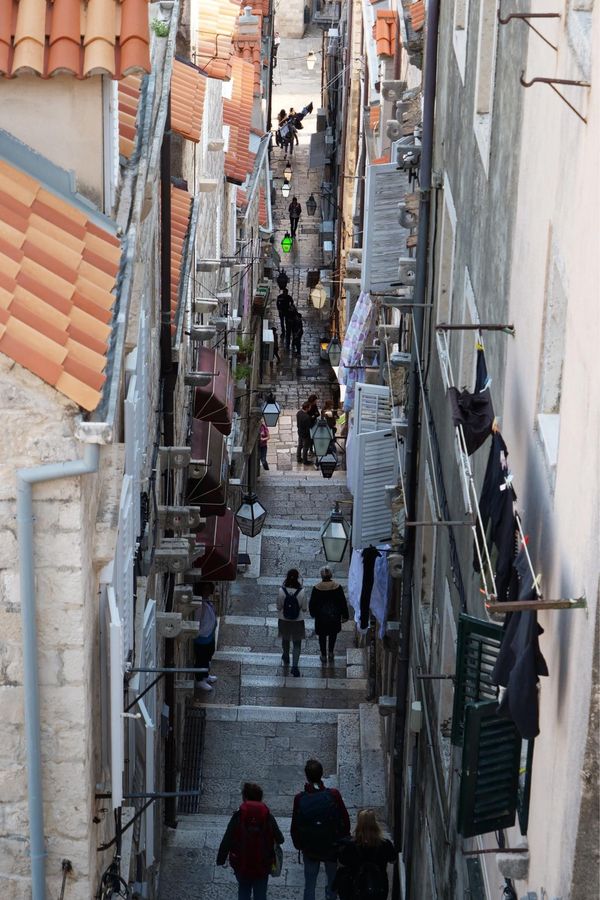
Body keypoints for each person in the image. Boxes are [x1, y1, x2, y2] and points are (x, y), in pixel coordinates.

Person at [291, 758, 350, 900]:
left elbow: (295, 826)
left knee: (310, 885)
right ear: (321, 774)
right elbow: (345, 820)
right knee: (332, 883)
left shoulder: (299, 798)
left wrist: (299, 845)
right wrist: (342, 840)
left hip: (310, 849)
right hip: (331, 847)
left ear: (307, 776)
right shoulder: (333, 795)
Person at [217, 782, 284, 900]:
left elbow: (227, 839)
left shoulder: (238, 816)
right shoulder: (268, 817)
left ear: (245, 798)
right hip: (263, 863)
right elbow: (280, 839)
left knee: (243, 891)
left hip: (242, 862)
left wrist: (221, 859)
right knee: (260, 895)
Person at [333, 809, 395, 900]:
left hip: (355, 889)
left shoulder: (350, 845)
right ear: (375, 824)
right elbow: (393, 860)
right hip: (378, 888)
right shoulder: (385, 844)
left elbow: (342, 863)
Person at [309, 567, 349, 663]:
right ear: (331, 575)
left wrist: (313, 613)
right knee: (333, 634)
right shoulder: (337, 587)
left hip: (321, 617)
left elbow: (312, 603)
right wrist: (345, 615)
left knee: (322, 636)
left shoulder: (316, 588)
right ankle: (330, 652)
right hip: (334, 616)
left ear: (321, 576)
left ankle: (323, 655)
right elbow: (342, 602)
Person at [277, 568, 307, 677]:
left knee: (285, 639)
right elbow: (304, 608)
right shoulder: (302, 591)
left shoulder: (281, 590)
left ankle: (286, 656)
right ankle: (295, 666)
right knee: (297, 643)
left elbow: (278, 607)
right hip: (297, 621)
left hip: (284, 620)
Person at [193, 600, 218, 695]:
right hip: (202, 637)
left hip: (209, 635)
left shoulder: (208, 603)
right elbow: (197, 619)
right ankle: (200, 680)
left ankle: (205, 675)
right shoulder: (200, 606)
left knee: (208, 656)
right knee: (201, 659)